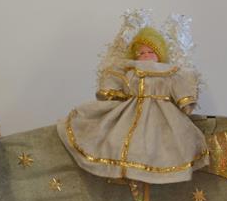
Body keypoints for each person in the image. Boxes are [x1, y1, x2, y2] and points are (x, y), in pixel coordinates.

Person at [57, 26, 209, 184]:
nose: (146, 56)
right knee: (119, 139)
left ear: (159, 54)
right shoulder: (130, 71)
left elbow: (180, 89)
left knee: (167, 144)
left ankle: (152, 175)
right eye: (141, 53)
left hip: (163, 114)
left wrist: (185, 103)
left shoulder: (170, 73)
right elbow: (119, 86)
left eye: (150, 52)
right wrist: (112, 92)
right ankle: (126, 174)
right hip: (131, 110)